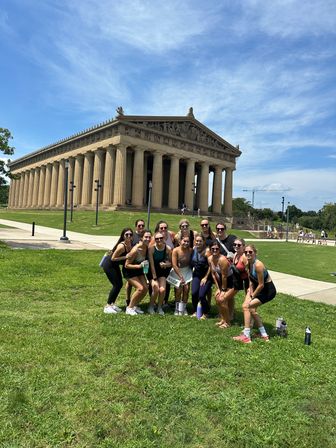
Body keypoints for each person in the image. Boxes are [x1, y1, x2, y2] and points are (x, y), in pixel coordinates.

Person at [233, 244, 276, 344]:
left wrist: (252, 296)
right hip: (258, 288)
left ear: (255, 253)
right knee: (250, 308)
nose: (248, 254)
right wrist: (250, 290)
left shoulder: (258, 265)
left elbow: (261, 285)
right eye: (246, 252)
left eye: (250, 252)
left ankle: (246, 336)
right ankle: (264, 335)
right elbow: (251, 279)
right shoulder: (248, 263)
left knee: (249, 306)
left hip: (268, 291)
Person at [102, 228, 133, 314]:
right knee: (116, 285)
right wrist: (125, 257)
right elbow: (113, 258)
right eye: (126, 234)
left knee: (119, 284)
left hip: (114, 265)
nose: (129, 236)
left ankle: (112, 304)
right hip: (109, 264)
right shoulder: (121, 246)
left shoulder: (130, 244)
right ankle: (107, 306)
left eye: (130, 234)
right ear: (123, 236)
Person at [123, 230, 152, 316]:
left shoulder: (146, 247)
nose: (148, 239)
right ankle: (129, 308)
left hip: (139, 271)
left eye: (149, 237)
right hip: (129, 271)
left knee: (146, 288)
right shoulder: (135, 250)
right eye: (146, 237)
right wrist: (139, 266)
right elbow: (126, 265)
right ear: (141, 238)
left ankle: (135, 305)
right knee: (140, 288)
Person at [208, 240, 235, 328]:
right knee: (217, 297)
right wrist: (218, 288)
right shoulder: (210, 259)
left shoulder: (222, 260)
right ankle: (223, 319)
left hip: (230, 280)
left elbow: (224, 276)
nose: (215, 250)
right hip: (221, 281)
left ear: (219, 249)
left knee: (222, 299)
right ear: (210, 249)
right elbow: (213, 274)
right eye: (213, 249)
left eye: (217, 249)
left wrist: (223, 290)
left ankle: (227, 322)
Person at [147, 232, 172, 315]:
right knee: (156, 287)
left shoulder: (168, 249)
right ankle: (151, 306)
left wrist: (166, 264)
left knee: (162, 289)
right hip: (152, 271)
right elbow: (151, 264)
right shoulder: (151, 249)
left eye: (161, 238)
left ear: (164, 238)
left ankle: (159, 307)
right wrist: (154, 277)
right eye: (157, 238)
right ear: (154, 239)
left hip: (162, 271)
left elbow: (172, 263)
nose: (159, 240)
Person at [190, 235, 212, 318]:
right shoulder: (193, 250)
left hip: (207, 276)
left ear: (203, 242)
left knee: (201, 295)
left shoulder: (207, 251)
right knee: (194, 293)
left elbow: (211, 265)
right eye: (197, 241)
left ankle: (206, 312)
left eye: (200, 241)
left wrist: (206, 277)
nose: (198, 242)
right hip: (196, 275)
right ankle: (196, 310)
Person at [171, 235, 193, 315]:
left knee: (186, 289)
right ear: (180, 241)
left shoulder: (190, 250)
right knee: (178, 290)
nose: (186, 243)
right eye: (184, 241)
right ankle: (177, 309)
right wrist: (181, 277)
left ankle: (183, 308)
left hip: (187, 271)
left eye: (188, 241)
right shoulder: (175, 250)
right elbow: (174, 265)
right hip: (177, 272)